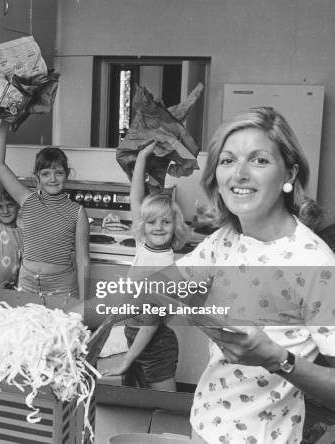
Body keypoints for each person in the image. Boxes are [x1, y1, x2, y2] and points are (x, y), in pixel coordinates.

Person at [80, 107, 335, 444]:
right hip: (205, 423)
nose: (239, 173)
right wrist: (63, 319)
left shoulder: (315, 263)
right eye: (228, 161)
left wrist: (278, 359)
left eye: (259, 160)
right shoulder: (224, 241)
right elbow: (149, 292)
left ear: (289, 173)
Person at [101, 142, 189, 391]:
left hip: (155, 345)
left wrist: (126, 361)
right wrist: (141, 156)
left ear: (175, 226)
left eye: (166, 222)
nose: (158, 227)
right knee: (143, 404)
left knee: (165, 407)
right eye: (151, 222)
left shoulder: (168, 269)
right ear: (143, 226)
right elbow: (136, 196)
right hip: (133, 333)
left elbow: (150, 325)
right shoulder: (143, 245)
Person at [0, 120, 90, 302]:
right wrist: (4, 121)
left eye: (58, 173)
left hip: (62, 287)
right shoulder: (27, 200)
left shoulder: (77, 212)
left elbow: (83, 261)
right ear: (37, 176)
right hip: (27, 284)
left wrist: (83, 304)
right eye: (46, 174)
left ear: (67, 174)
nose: (52, 179)